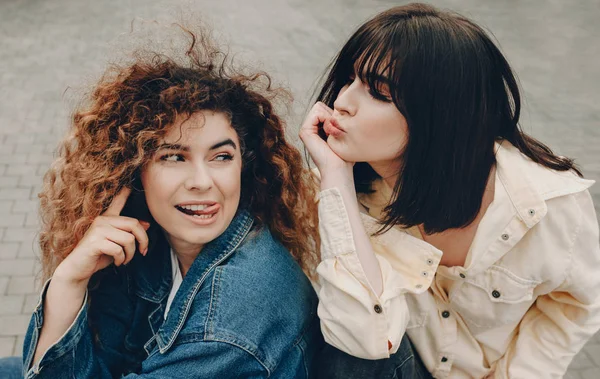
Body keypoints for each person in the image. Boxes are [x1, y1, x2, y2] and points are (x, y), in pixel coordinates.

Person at [300, 3, 600, 378]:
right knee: (352, 347)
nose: (342, 102)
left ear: (438, 115)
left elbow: (575, 305)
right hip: (398, 363)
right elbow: (364, 340)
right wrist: (336, 177)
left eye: (378, 92)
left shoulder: (547, 205)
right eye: (349, 80)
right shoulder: (332, 197)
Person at [8, 27, 323, 378]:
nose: (203, 182)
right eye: (174, 157)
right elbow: (97, 363)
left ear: (243, 167)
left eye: (221, 157)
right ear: (134, 171)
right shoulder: (146, 242)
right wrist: (70, 279)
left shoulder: (233, 319)